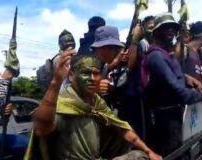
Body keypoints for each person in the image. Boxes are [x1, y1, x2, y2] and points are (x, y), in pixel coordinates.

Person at [30, 52, 162, 160]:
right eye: (86, 73)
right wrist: (55, 83)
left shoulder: (97, 103)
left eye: (96, 73)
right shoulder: (63, 103)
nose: (92, 78)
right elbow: (42, 128)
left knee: (140, 157)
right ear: (71, 76)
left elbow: (123, 129)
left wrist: (149, 151)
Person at [143, 12, 202, 156]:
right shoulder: (156, 55)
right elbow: (177, 90)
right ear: (156, 32)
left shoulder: (165, 53)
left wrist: (187, 78)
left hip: (174, 117)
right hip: (165, 122)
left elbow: (174, 75)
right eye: (165, 27)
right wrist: (200, 95)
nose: (170, 31)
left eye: (173, 28)